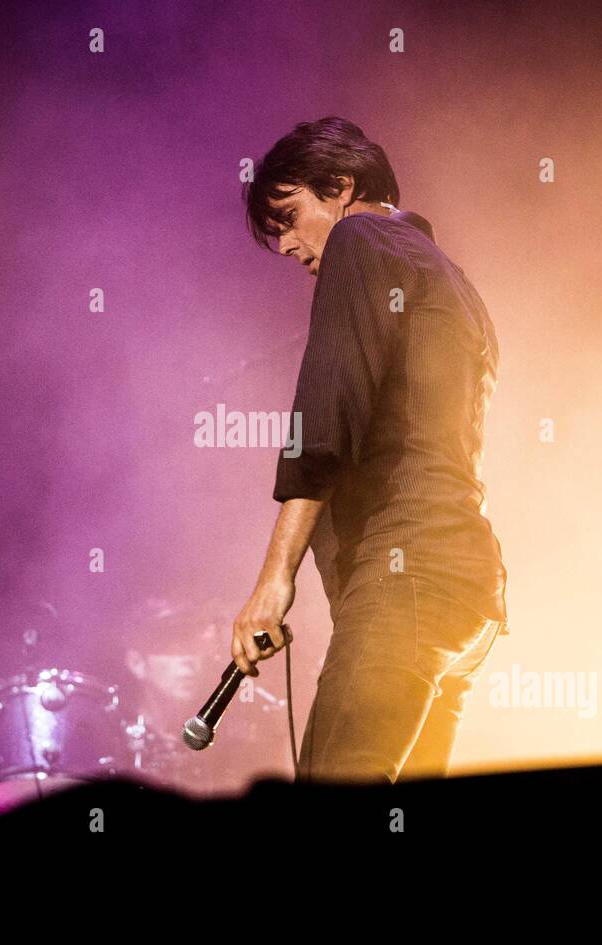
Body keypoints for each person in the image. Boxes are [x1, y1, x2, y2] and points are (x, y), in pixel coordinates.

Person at [230, 116, 509, 784]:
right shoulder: (451, 279)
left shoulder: (362, 237)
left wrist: (274, 580)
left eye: (291, 216)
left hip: (409, 577)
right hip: (467, 589)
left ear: (341, 186)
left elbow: (324, 421)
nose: (287, 246)